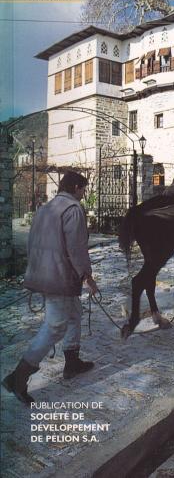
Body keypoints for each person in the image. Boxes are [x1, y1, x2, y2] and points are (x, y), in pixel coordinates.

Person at [2, 171, 97, 406]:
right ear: (76, 187)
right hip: (60, 278)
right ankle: (18, 378)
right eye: (83, 189)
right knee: (54, 328)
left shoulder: (45, 208)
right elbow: (77, 249)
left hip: (42, 275)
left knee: (75, 314)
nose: (84, 194)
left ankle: (72, 361)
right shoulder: (73, 209)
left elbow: (32, 242)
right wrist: (87, 276)